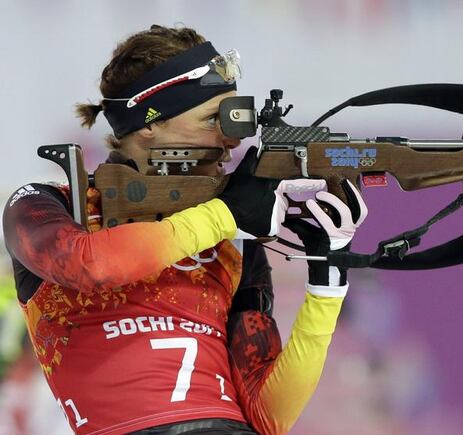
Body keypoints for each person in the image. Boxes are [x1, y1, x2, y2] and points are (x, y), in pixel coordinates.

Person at [2, 24, 367, 435]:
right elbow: (91, 265)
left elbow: (269, 415)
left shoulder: (233, 239)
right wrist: (226, 214)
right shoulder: (45, 203)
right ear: (148, 124)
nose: (231, 140)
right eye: (215, 119)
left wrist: (328, 276)